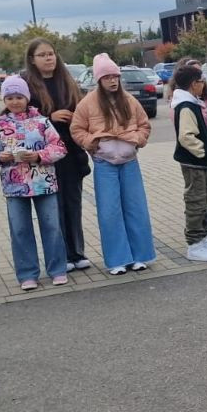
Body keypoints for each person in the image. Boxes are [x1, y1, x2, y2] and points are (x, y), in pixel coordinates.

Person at [70, 53, 155, 276]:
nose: (112, 80)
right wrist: (92, 143)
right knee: (109, 212)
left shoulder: (130, 100)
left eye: (115, 76)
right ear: (99, 79)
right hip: (104, 164)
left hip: (130, 162)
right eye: (107, 77)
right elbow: (76, 129)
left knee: (136, 209)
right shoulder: (87, 103)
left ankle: (140, 256)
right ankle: (118, 259)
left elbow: (144, 125)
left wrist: (138, 140)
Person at [0, 75, 70, 289]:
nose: (15, 102)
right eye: (10, 98)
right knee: (20, 229)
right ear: (4, 100)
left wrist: (39, 156)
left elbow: (60, 148)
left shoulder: (42, 122)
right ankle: (27, 274)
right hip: (14, 187)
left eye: (19, 97)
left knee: (52, 226)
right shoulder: (0, 124)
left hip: (44, 183)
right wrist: (0, 157)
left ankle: (57, 269)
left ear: (27, 98)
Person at [21, 37, 93, 270]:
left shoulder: (67, 80)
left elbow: (82, 110)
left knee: (73, 204)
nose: (48, 58)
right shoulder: (26, 85)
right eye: (42, 55)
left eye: (51, 53)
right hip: (44, 157)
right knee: (54, 208)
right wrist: (48, 118)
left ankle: (77, 253)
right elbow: (21, 119)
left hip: (71, 153)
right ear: (32, 59)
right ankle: (60, 255)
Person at [171, 64, 207, 263]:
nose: (204, 84)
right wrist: (204, 152)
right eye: (201, 81)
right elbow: (186, 136)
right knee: (196, 202)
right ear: (193, 84)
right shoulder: (186, 106)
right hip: (193, 162)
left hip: (201, 162)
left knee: (206, 200)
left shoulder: (193, 103)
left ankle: (204, 239)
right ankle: (194, 244)